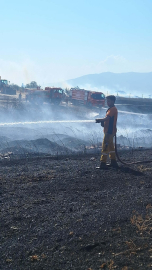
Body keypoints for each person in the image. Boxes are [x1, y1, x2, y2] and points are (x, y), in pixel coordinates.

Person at [96, 95, 118, 169]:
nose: (107, 102)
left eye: (108, 101)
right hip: (110, 131)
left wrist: (100, 120)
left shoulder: (112, 109)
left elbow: (107, 118)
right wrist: (103, 122)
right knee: (111, 147)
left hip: (109, 131)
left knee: (105, 146)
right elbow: (108, 119)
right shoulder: (111, 109)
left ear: (112, 101)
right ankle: (113, 162)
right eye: (107, 101)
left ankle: (103, 163)